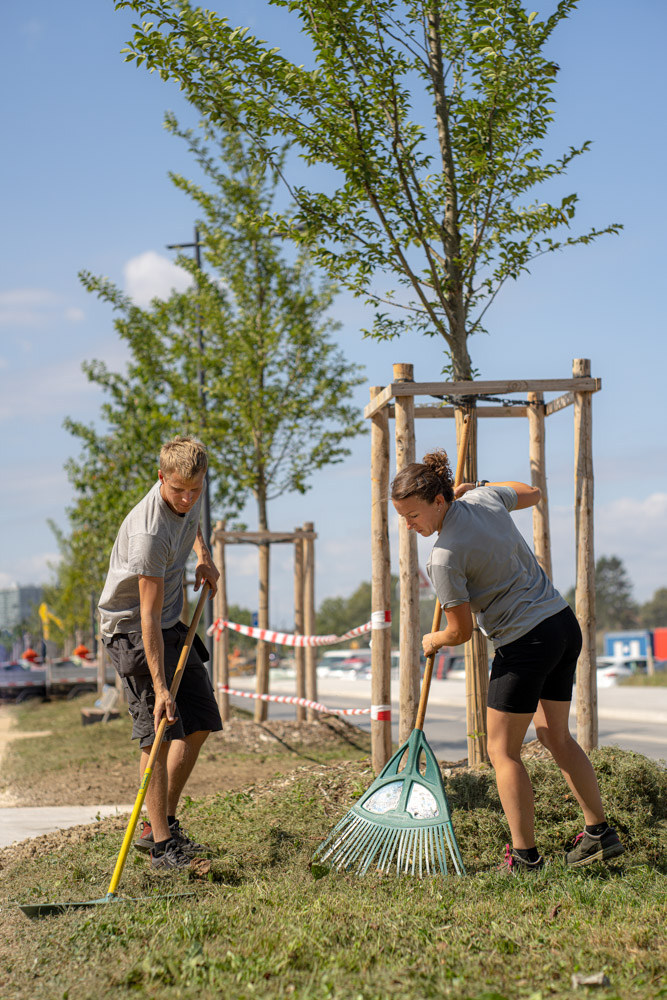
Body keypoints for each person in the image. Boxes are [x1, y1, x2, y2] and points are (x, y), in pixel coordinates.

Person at [391, 449, 624, 873]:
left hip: (524, 642)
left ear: (439, 501)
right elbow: (532, 493)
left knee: (502, 751)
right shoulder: (482, 501)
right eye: (402, 517)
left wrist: (433, 638)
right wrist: (478, 487)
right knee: (556, 735)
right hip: (561, 624)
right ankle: (599, 834)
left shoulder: (442, 557)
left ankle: (525, 858)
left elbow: (459, 633)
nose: (408, 525)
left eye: (412, 515)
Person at [99, 436, 221, 870]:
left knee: (201, 720)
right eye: (178, 490)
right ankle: (162, 848)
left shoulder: (188, 499)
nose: (187, 498)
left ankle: (160, 821)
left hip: (169, 623)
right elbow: (146, 617)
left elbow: (191, 526)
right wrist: (159, 686)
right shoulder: (149, 532)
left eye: (195, 489)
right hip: (134, 629)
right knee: (159, 731)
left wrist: (203, 557)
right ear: (160, 479)